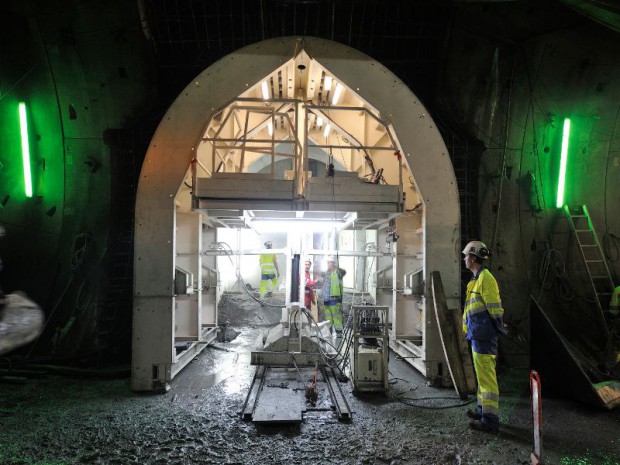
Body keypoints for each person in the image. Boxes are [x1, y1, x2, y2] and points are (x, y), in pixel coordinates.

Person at [461, 240, 507, 433]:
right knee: (482, 379)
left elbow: (494, 308)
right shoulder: (475, 280)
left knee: (487, 380)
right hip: (477, 334)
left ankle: (490, 421)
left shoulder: (485, 278)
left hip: (484, 336)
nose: (464, 259)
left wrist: (499, 327)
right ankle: (482, 412)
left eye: (466, 256)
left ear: (472, 257)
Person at [323, 257, 346, 333]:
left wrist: (336, 268)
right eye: (328, 263)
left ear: (333, 263)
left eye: (330, 262)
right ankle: (329, 333)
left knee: (337, 317)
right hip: (326, 300)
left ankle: (339, 333)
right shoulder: (326, 272)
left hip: (335, 300)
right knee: (328, 318)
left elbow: (344, 272)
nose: (328, 264)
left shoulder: (338, 272)